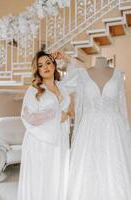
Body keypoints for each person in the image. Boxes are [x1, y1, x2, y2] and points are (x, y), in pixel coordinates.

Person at [55, 51, 131, 200]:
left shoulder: (117, 75)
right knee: (88, 167)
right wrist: (67, 58)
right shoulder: (83, 75)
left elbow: (122, 106)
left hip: (114, 128)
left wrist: (127, 131)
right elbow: (63, 88)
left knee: (114, 166)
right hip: (89, 127)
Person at [18, 51, 71, 200]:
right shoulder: (34, 90)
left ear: (54, 65)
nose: (45, 67)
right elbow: (28, 117)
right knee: (41, 177)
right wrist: (56, 116)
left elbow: (82, 73)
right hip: (40, 141)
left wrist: (65, 57)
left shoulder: (63, 87)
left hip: (59, 139)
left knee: (57, 176)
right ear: (38, 70)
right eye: (40, 65)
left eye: (48, 62)